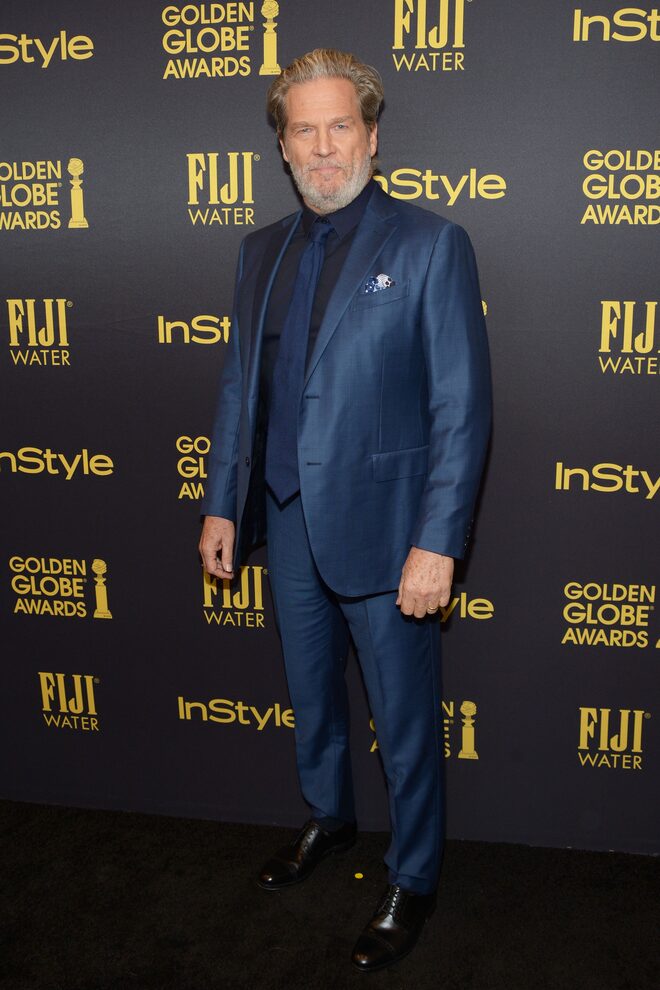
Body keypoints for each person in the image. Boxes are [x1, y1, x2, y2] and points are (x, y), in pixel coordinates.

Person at [199, 48, 491, 972]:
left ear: (371, 136)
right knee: (311, 698)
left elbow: (462, 409)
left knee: (404, 720)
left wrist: (438, 543)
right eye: (304, 131)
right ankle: (329, 818)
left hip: (389, 530)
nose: (322, 147)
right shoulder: (260, 251)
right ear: (283, 147)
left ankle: (415, 874)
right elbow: (240, 388)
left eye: (339, 127)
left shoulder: (431, 244)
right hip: (285, 518)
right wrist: (220, 505)